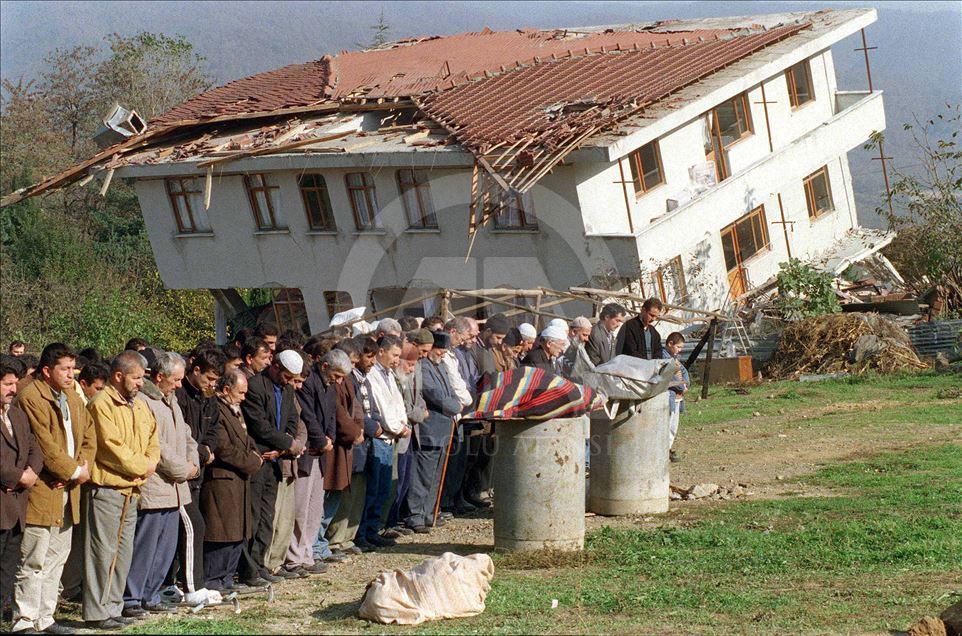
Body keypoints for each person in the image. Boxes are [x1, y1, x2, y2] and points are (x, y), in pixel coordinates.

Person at [13, 343, 96, 635]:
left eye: (73, 368)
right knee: (34, 557)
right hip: (43, 489)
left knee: (57, 556)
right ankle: (25, 620)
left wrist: (81, 470)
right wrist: (71, 471)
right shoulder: (30, 397)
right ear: (47, 371)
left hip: (68, 489)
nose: (71, 374)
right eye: (65, 369)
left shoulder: (72, 396)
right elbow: (44, 445)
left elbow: (89, 435)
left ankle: (45, 617)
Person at [83, 351, 160, 630]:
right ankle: (97, 611)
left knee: (122, 552)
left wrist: (150, 463)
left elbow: (153, 437)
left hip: (132, 489)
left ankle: (113, 607)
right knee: (102, 552)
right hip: (107, 489)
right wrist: (142, 466)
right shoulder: (101, 404)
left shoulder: (139, 405)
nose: (140, 383)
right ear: (118, 376)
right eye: (136, 378)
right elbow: (110, 446)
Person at [124, 352, 198, 617]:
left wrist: (193, 461)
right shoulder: (145, 402)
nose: (179, 385)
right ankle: (132, 598)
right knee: (145, 547)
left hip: (175, 489)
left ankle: (151, 595)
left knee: (164, 550)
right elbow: (158, 446)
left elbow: (187, 435)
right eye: (175, 380)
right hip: (156, 487)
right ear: (159, 377)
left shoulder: (171, 400)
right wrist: (183, 470)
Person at [239, 349, 302, 584]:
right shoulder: (255, 386)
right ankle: (248, 569)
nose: (289, 382)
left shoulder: (286, 389)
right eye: (286, 377)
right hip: (260, 458)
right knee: (254, 516)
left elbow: (292, 419)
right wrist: (286, 444)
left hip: (275, 459)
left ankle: (260, 564)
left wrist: (284, 448)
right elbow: (259, 426)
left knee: (268, 516)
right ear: (275, 367)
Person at [201, 369, 264, 593]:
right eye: (241, 393)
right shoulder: (216, 409)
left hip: (239, 481)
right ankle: (214, 580)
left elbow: (247, 439)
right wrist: (253, 462)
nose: (244, 398)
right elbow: (224, 448)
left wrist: (256, 455)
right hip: (222, 480)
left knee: (237, 532)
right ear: (226, 389)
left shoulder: (235, 409)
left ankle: (227, 579)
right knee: (222, 533)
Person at [171, 347, 226, 601]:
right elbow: (182, 434)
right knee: (194, 526)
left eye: (216, 380)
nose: (212, 384)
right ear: (195, 370)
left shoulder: (209, 397)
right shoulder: (179, 395)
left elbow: (213, 429)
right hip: (183, 470)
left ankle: (174, 583)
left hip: (199, 470)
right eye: (209, 378)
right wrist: (201, 452)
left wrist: (208, 449)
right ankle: (193, 586)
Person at [286, 351, 345, 574]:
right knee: (300, 509)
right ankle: (294, 557)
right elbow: (307, 416)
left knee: (314, 509)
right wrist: (321, 440)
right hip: (308, 452)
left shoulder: (330, 386)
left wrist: (329, 439)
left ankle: (307, 553)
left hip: (320, 453)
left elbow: (331, 416)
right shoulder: (308, 382)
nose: (338, 381)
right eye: (336, 375)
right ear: (325, 365)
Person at [328, 338, 384, 553]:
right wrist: (360, 430)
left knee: (358, 493)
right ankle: (337, 539)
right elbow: (343, 413)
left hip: (362, 441)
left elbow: (360, 409)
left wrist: (366, 427)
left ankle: (349, 537)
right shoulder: (341, 380)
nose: (353, 366)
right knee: (345, 495)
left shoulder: (355, 381)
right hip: (349, 442)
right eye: (352, 361)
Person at [403, 332, 462, 533]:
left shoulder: (441, 365)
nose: (442, 355)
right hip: (429, 429)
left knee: (436, 476)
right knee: (423, 475)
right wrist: (455, 406)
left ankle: (429, 512)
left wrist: (456, 403)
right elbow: (433, 394)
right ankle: (415, 515)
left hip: (444, 428)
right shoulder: (423, 367)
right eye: (439, 351)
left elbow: (451, 391)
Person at [313, 345, 364, 563]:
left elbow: (357, 409)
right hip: (332, 447)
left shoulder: (345, 381)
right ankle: (316, 545)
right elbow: (338, 414)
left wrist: (359, 428)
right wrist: (353, 432)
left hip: (343, 446)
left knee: (334, 497)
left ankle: (321, 543)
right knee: (322, 500)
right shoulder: (323, 383)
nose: (339, 380)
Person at [1, 356, 42, 620]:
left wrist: (31, 473)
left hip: (16, 507)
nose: (13, 389)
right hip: (3, 501)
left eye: (15, 383)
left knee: (6, 571)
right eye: (7, 384)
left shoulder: (16, 413)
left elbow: (33, 446)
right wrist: (18, 477)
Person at [359, 336, 409, 548]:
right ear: (381, 351)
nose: (397, 360)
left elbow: (397, 403)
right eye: (394, 355)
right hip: (381, 436)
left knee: (384, 488)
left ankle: (375, 529)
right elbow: (381, 407)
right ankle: (365, 532)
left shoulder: (389, 374)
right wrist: (398, 427)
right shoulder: (372, 375)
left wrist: (403, 424)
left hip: (392, 436)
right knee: (373, 488)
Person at [265, 356, 309, 579]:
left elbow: (297, 425)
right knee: (273, 517)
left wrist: (292, 445)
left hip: (288, 459)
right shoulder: (267, 389)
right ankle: (267, 562)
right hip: (275, 462)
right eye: (290, 379)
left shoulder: (289, 393)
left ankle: (277, 561)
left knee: (285, 518)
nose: (293, 384)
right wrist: (287, 446)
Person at [386, 343, 428, 535]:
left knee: (403, 480)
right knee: (395, 480)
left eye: (414, 366)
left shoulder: (406, 378)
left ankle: (393, 521)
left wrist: (420, 410)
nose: (412, 369)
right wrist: (420, 414)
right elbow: (404, 408)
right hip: (399, 434)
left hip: (410, 434)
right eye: (409, 365)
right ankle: (387, 522)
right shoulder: (393, 379)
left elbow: (419, 399)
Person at [662, 332, 690, 464]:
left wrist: (686, 383)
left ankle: (668, 448)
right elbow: (669, 375)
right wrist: (681, 386)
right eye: (678, 347)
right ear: (670, 344)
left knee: (673, 426)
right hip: (670, 395)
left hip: (678, 397)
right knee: (667, 424)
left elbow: (683, 371)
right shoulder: (663, 357)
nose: (680, 350)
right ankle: (663, 450)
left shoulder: (675, 358)